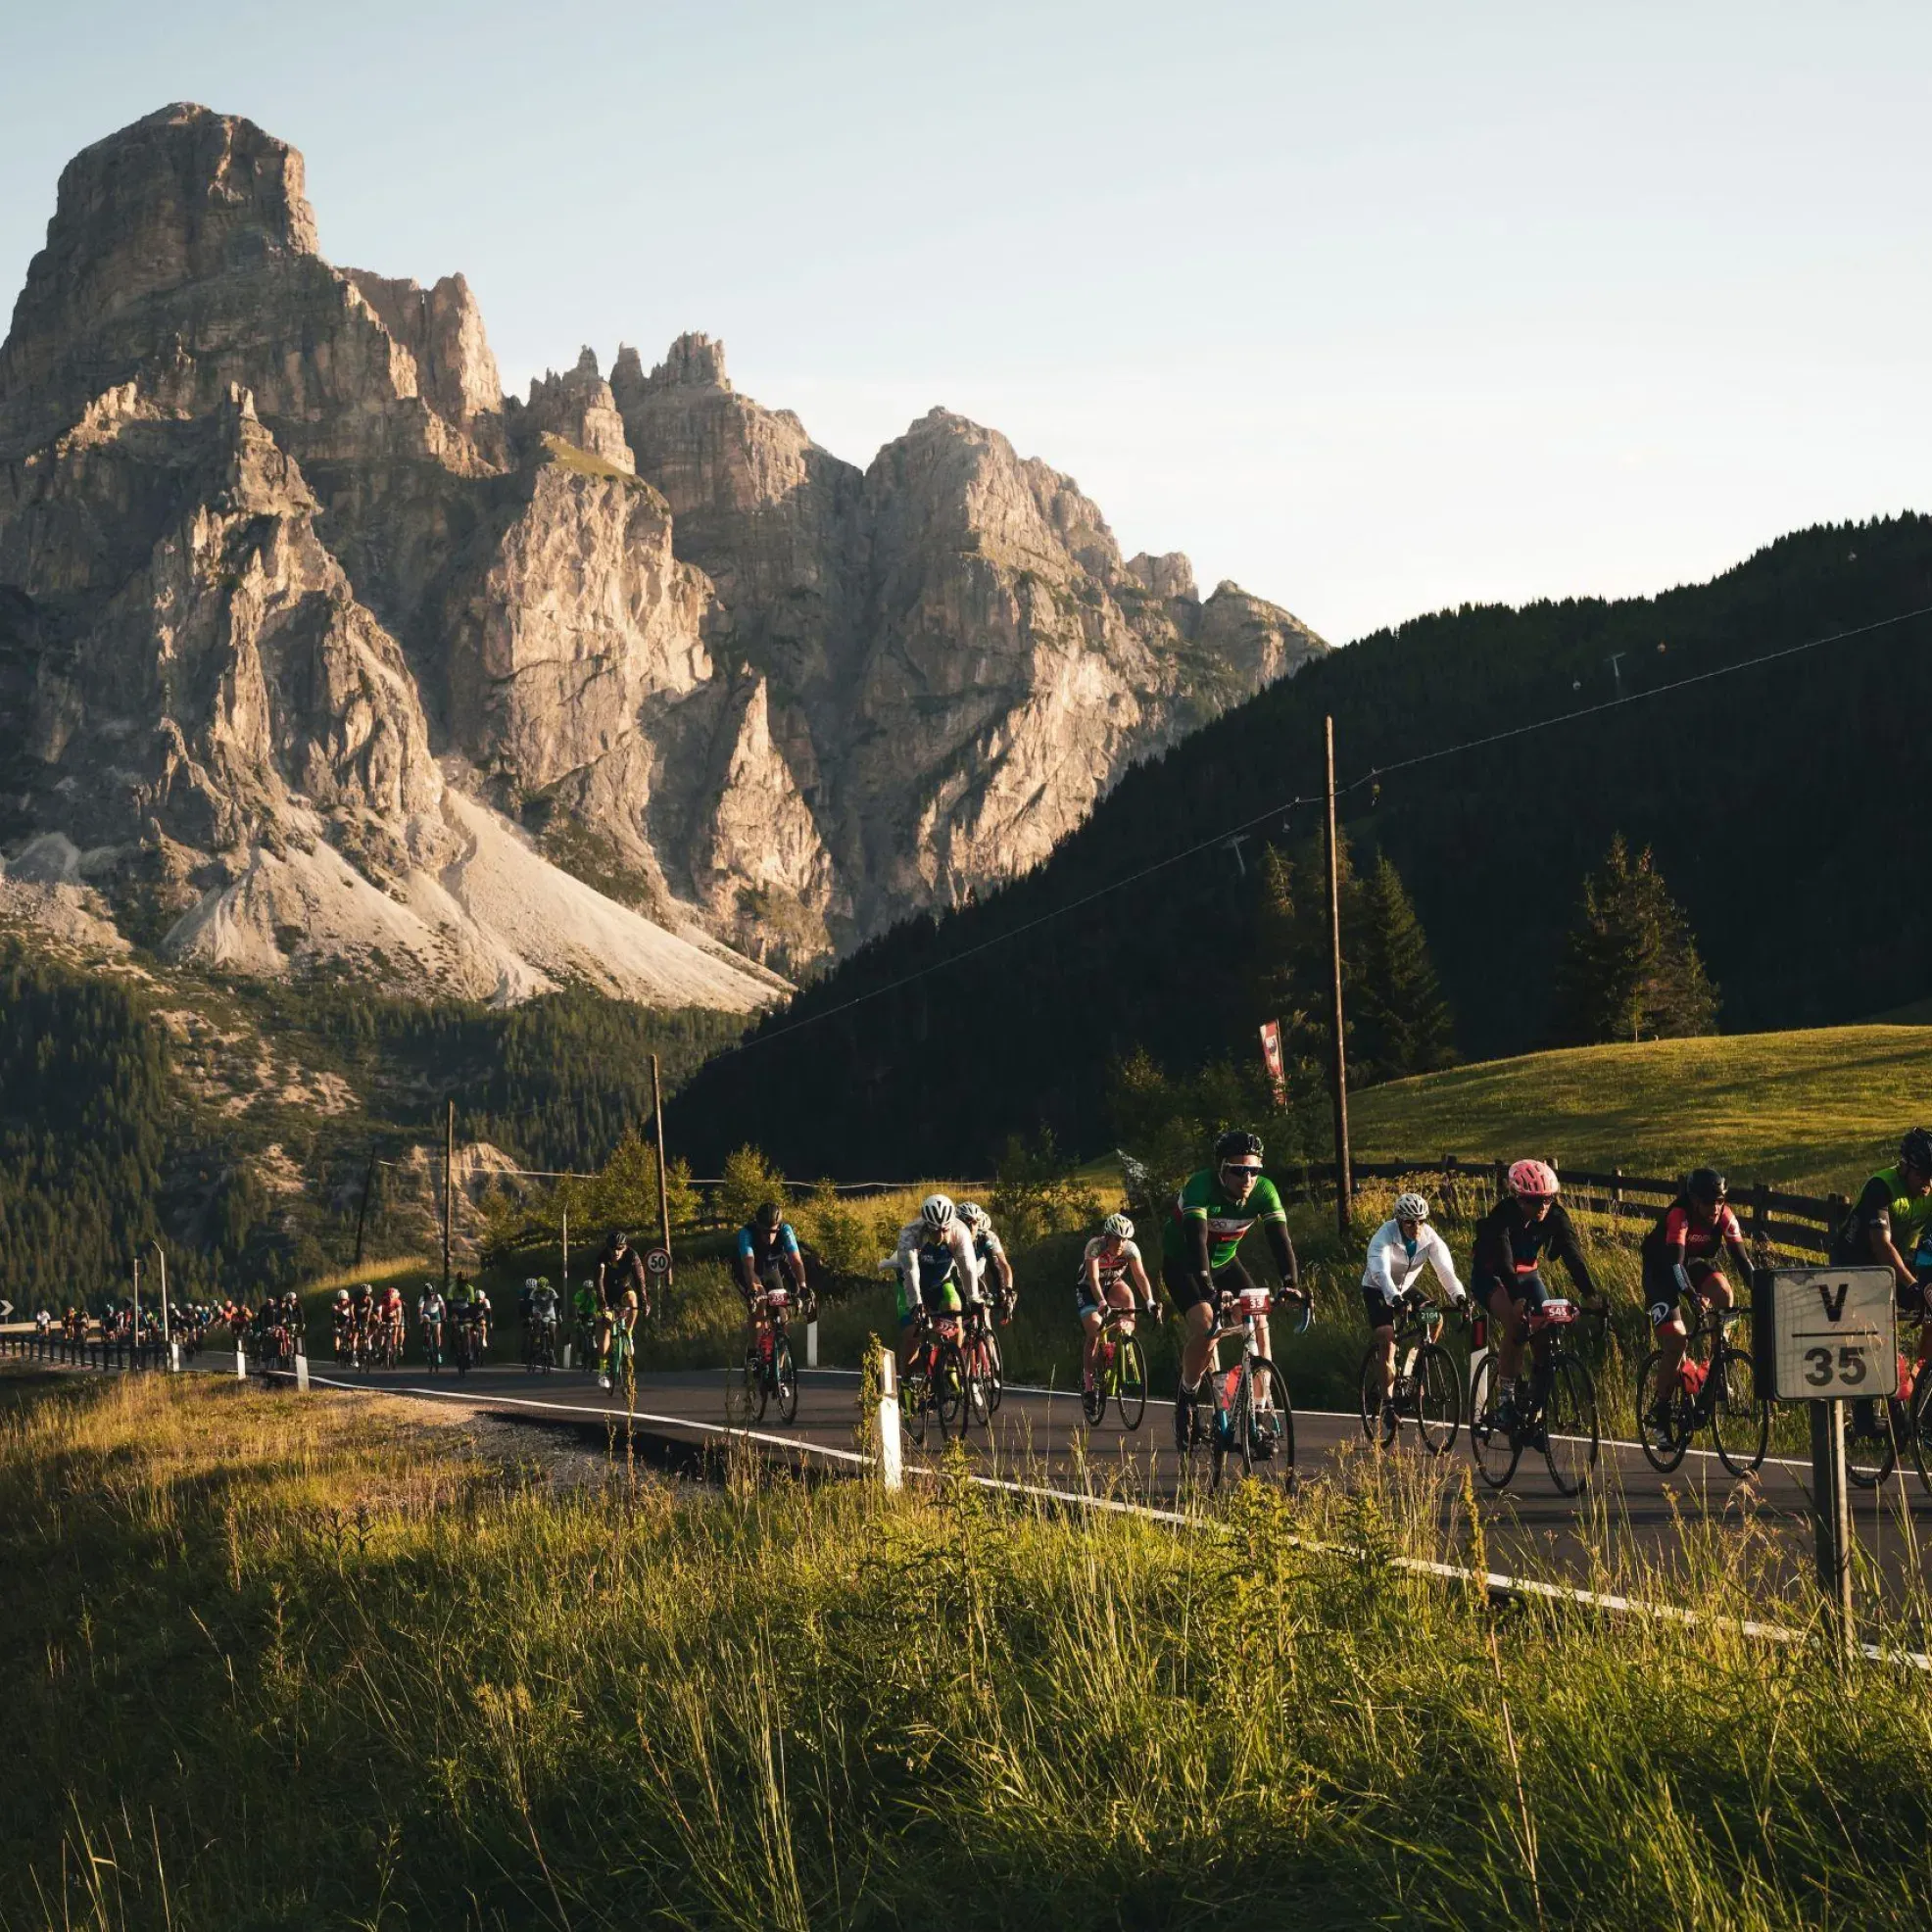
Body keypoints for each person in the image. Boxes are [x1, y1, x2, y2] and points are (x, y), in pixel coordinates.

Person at [1160, 1131, 1303, 1451]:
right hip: (1184, 1264)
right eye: (1239, 1170)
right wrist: (1209, 1290)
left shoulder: (1264, 1192)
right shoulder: (1200, 1186)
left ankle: (1259, 1410)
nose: (1248, 1177)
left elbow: (1280, 1239)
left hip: (1225, 1263)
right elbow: (1196, 1241)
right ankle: (1187, 1396)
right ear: (1222, 1169)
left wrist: (1291, 1283)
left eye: (1254, 1170)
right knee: (1207, 1325)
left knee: (1259, 1319)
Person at [1470, 1160, 1602, 1427]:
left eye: (1548, 1200)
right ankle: (1506, 1400)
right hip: (1493, 1274)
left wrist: (1591, 1294)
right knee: (1517, 1324)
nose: (1542, 1207)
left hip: (1529, 1274)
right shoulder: (1502, 1215)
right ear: (1519, 1199)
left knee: (1546, 1331)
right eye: (1535, 1201)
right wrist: (1517, 1298)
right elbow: (1505, 1261)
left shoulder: (1556, 1216)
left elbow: (1572, 1255)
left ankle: (1535, 1407)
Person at [1639, 1168, 1756, 1419]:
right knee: (1677, 1342)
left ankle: (1717, 1369)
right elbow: (1675, 1265)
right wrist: (1692, 1295)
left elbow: (1743, 1263)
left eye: (1719, 1201)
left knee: (1724, 1293)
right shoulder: (1679, 1215)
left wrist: (1761, 1292)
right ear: (1694, 1201)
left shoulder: (1725, 1216)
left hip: (1689, 1265)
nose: (1715, 1208)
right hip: (1661, 1271)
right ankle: (1660, 1408)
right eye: (1708, 1202)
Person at [1831, 1126, 1932, 1377]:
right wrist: (1912, 1285)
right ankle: (1867, 1408)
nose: (1928, 1183)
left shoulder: (1928, 1192)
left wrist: (1925, 1287)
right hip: (1853, 1266)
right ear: (1905, 1167)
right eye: (1923, 1175)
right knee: (1871, 1336)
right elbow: (1881, 1246)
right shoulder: (1882, 1186)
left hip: (1890, 1265)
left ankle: (1922, 1381)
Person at [1361, 1191, 1468, 1418]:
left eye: (1421, 1221)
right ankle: (1388, 1403)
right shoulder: (1384, 1236)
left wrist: (1459, 1297)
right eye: (1410, 1222)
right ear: (1399, 1221)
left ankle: (1415, 1364)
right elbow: (1380, 1272)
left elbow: (1446, 1271)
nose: (1416, 1226)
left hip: (1405, 1287)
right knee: (1387, 1339)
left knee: (1435, 1318)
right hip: (1377, 1288)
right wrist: (1395, 1300)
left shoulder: (1429, 1237)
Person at [893, 1194, 983, 1376]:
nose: (940, 1235)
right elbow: (911, 1272)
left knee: (955, 1317)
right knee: (913, 1332)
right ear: (926, 1225)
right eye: (935, 1230)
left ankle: (950, 1367)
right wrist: (916, 1304)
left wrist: (973, 1298)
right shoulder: (910, 1234)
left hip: (941, 1282)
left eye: (945, 1230)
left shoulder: (960, 1231)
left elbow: (968, 1268)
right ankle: (907, 1382)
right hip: (910, 1284)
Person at [1078, 1213, 1157, 1394]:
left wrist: (1150, 1301)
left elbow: (1140, 1276)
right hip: (1089, 1289)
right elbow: (1094, 1279)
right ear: (1107, 1236)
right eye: (1116, 1238)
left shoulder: (1131, 1249)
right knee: (1094, 1332)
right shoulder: (1095, 1246)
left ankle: (1123, 1344)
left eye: (1124, 1239)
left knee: (1128, 1297)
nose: (1121, 1244)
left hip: (1113, 1284)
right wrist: (1102, 1303)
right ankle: (1089, 1384)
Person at [734, 1202, 810, 1351]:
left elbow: (796, 1261)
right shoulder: (747, 1233)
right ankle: (753, 1352)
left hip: (771, 1269)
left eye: (773, 1232)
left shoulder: (785, 1231)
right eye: (764, 1232)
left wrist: (803, 1286)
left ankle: (780, 1364)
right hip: (748, 1271)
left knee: (781, 1314)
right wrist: (753, 1291)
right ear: (758, 1226)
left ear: (779, 1227)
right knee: (760, 1303)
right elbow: (748, 1267)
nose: (769, 1237)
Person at [595, 1232, 649, 1390]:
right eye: (613, 1249)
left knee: (633, 1299)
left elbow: (640, 1279)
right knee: (605, 1327)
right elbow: (598, 1282)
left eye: (620, 1249)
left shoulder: (632, 1256)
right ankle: (603, 1371)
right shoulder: (602, 1258)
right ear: (608, 1248)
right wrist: (603, 1304)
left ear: (625, 1248)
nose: (616, 1252)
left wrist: (644, 1302)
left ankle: (629, 1334)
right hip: (606, 1293)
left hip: (623, 1289)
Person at [960, 1202, 1015, 1315]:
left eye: (976, 1224)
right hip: (958, 1276)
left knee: (983, 1311)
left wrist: (1006, 1291)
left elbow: (1002, 1265)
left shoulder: (989, 1238)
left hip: (978, 1275)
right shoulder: (957, 1237)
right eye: (968, 1223)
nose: (974, 1230)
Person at [417, 1280, 446, 1367]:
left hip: (436, 1315)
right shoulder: (423, 1297)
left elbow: (443, 1308)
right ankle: (426, 1340)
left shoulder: (438, 1296)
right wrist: (421, 1318)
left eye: (432, 1294)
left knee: (437, 1333)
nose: (431, 1296)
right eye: (429, 1294)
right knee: (426, 1319)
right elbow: (420, 1310)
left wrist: (444, 1318)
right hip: (427, 1314)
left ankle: (438, 1352)